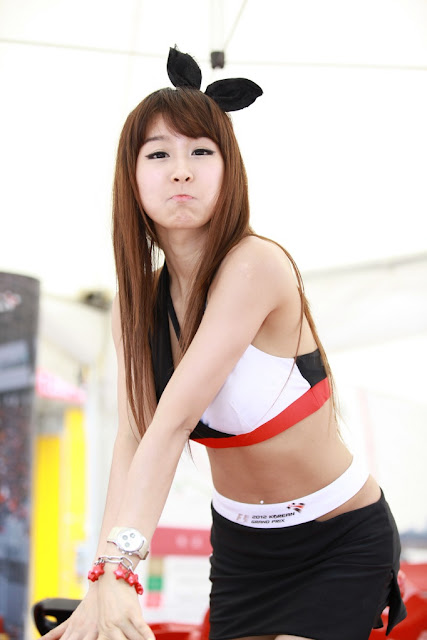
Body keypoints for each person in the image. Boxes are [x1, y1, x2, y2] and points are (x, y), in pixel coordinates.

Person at [45, 47, 406, 640]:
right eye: (158, 154)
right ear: (131, 176)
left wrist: (122, 567)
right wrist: (102, 581)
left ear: (228, 169)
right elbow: (135, 436)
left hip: (337, 538)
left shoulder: (255, 265)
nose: (180, 171)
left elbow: (171, 425)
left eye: (200, 152)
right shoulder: (137, 302)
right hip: (241, 549)